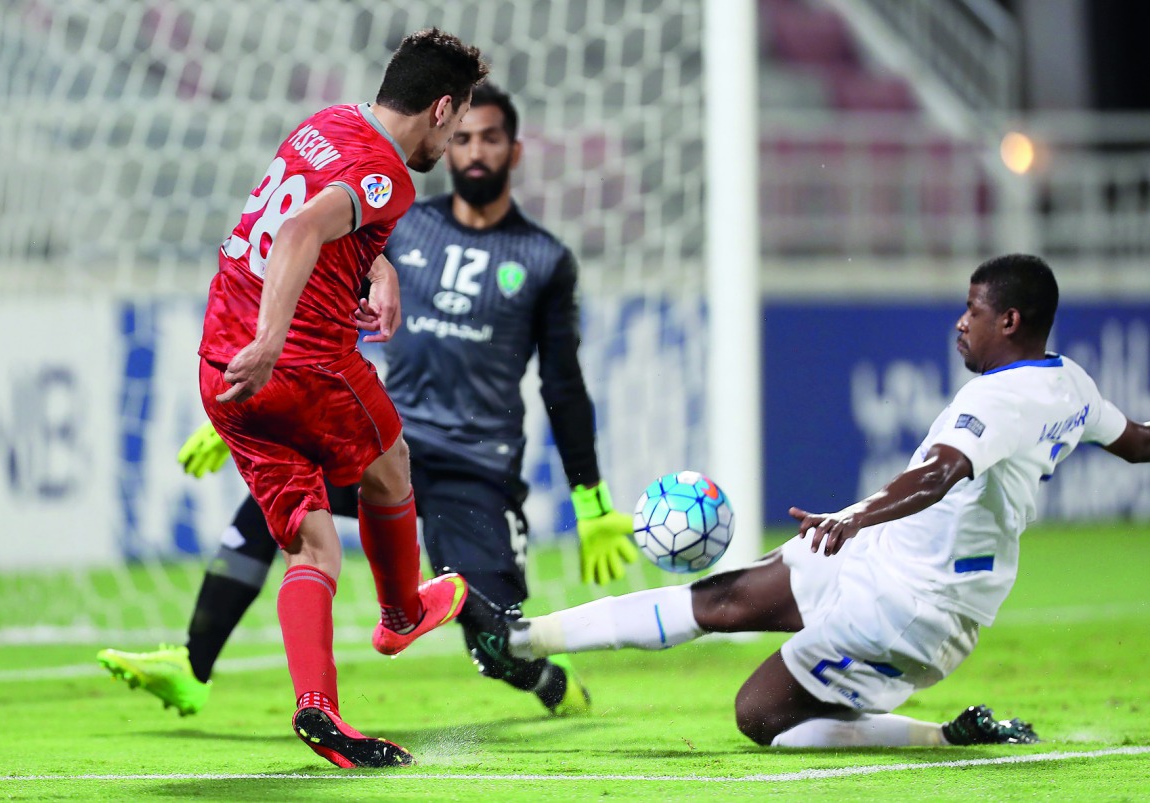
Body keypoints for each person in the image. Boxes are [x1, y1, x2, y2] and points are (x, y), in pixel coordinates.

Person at [99, 83, 636, 726]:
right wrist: (253, 403)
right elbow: (315, 271)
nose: (472, 150)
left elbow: (563, 384)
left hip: (473, 465)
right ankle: (193, 665)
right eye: (462, 136)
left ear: (514, 151)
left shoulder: (545, 259)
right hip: (385, 436)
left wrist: (591, 499)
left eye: (489, 138)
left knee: (496, 648)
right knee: (278, 513)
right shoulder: (406, 222)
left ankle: (542, 676)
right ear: (447, 132)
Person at [478, 254, 1150, 748]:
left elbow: (938, 474)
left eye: (972, 309)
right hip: (885, 558)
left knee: (760, 716)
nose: (960, 321)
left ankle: (947, 737)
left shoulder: (997, 398)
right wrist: (859, 529)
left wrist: (852, 515)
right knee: (723, 599)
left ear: (1007, 318)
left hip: (917, 608)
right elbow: (1138, 443)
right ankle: (519, 637)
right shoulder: (1072, 386)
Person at [98, 29, 487, 769]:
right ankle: (402, 613)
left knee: (313, 540)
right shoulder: (391, 175)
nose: (456, 133)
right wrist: (275, 335)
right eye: (460, 117)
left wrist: (377, 266)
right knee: (391, 460)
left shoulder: (326, 124)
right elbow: (301, 228)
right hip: (299, 364)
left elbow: (323, 213)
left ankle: (320, 712)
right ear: (441, 108)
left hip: (223, 368)